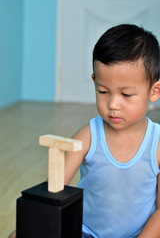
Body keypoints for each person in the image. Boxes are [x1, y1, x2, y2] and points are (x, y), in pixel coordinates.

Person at [9, 24, 160, 238]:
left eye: (126, 94)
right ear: (94, 82)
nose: (113, 104)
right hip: (84, 231)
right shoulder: (89, 135)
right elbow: (55, 186)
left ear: (154, 91)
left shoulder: (157, 144)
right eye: (103, 91)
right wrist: (33, 224)